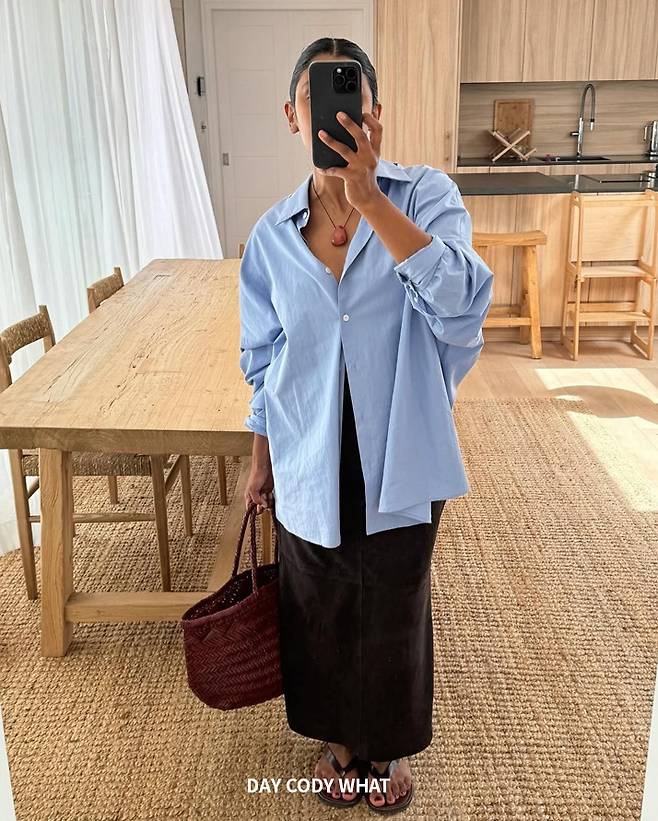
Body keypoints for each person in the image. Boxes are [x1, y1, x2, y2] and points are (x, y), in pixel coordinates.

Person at [238, 37, 494, 813]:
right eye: (315, 99)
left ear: (375, 112)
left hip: (401, 442)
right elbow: (265, 357)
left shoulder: (426, 196)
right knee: (316, 598)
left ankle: (382, 747)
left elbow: (463, 303)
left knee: (393, 597)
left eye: (349, 97)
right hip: (307, 444)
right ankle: (338, 741)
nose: (334, 114)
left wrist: (372, 198)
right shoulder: (271, 236)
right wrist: (260, 457)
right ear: (293, 116)